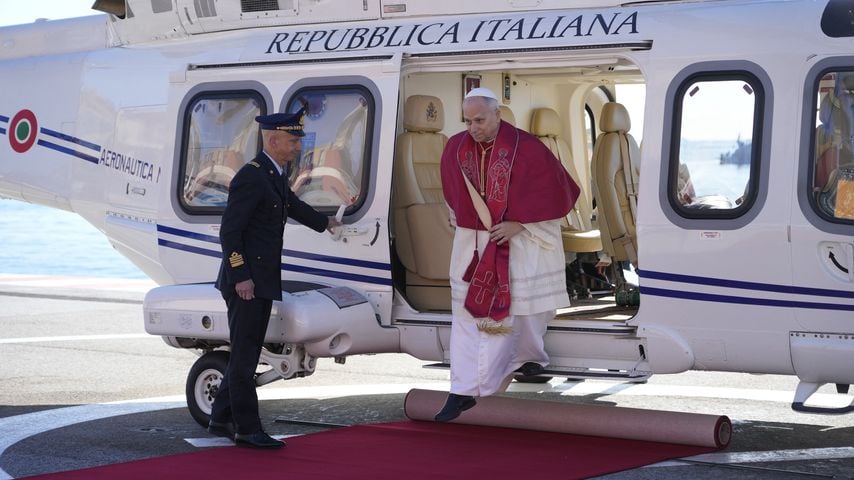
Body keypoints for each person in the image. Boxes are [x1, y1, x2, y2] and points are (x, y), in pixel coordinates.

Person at [436, 88, 580, 422]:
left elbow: (557, 195)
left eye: (480, 120)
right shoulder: (455, 148)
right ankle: (462, 390)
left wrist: (520, 224)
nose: (473, 128)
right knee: (470, 318)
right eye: (468, 121)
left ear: (498, 115)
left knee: (525, 314)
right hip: (473, 246)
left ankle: (527, 359)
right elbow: (452, 200)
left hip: (522, 244)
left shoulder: (528, 148)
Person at [208, 109, 342, 449]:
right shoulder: (251, 176)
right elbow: (230, 233)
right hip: (246, 283)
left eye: (298, 140)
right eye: (293, 141)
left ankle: (220, 416)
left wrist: (325, 223)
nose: (298, 146)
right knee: (245, 356)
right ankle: (247, 428)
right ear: (273, 140)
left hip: (262, 278)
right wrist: (241, 276)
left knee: (247, 349)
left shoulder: (273, 172)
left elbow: (291, 204)